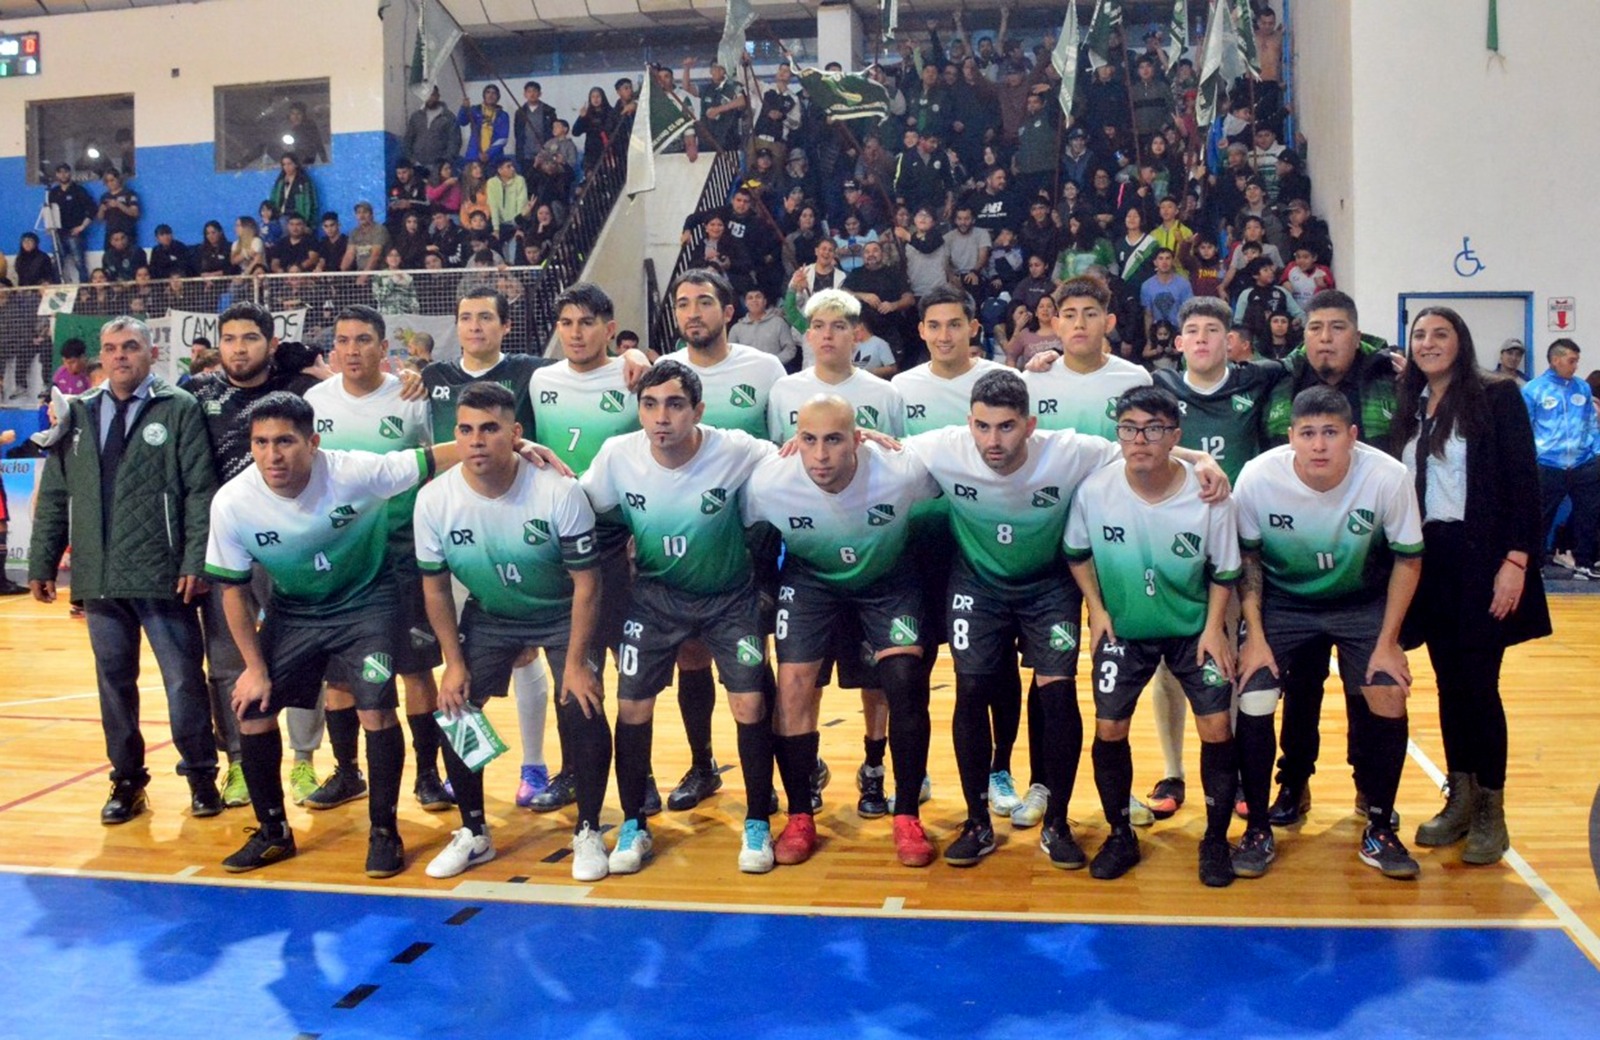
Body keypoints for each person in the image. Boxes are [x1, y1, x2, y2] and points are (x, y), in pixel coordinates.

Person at [203, 392, 463, 875]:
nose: (271, 455)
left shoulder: (357, 472)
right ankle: (273, 831)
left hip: (367, 603)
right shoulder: (233, 502)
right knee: (253, 708)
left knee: (375, 709)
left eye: (284, 441)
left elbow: (434, 456)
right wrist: (254, 670)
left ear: (314, 442)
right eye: (260, 443)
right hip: (295, 611)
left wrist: (518, 446)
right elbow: (233, 594)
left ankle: (384, 830)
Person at [578, 360, 780, 874]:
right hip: (654, 597)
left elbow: (798, 458)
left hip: (729, 597)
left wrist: (857, 437)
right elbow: (575, 501)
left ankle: (758, 820)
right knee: (632, 707)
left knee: (750, 703)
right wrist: (531, 459)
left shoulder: (736, 448)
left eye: (673, 404)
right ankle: (633, 824)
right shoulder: (616, 456)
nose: (660, 417)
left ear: (698, 411)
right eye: (649, 405)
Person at [415, 380, 612, 880]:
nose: (476, 440)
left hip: (563, 611)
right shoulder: (434, 500)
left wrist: (576, 664)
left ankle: (588, 830)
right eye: (465, 430)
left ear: (515, 433)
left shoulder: (558, 491)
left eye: (490, 429)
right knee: (456, 707)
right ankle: (475, 832)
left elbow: (588, 584)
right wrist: (452, 663)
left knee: (582, 703)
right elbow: (436, 590)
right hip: (493, 614)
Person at [28, 316, 220, 822]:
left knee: (183, 681)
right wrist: (43, 561)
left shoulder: (179, 408)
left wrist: (194, 559)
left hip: (164, 574)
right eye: (111, 348)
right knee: (114, 683)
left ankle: (201, 776)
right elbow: (54, 494)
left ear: (150, 353)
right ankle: (127, 782)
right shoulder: (79, 413)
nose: (119, 356)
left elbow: (201, 491)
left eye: (130, 347)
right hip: (98, 575)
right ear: (101, 357)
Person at [1234, 386, 1425, 880]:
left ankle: (1380, 827)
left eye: (1331, 433)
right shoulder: (1258, 477)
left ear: (1353, 437)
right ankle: (1257, 825)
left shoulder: (1387, 476)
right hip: (1284, 601)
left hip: (1361, 601)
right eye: (1308, 434)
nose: (1319, 445)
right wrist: (1253, 636)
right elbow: (1248, 561)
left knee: (1387, 693)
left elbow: (1408, 559)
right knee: (1253, 694)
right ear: (1291, 436)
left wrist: (1389, 642)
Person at [746, 393, 942, 869]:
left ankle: (907, 815)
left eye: (834, 439)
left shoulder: (902, 470)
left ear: (858, 439)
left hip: (888, 579)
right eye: (808, 440)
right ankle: (798, 816)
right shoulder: (770, 481)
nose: (820, 454)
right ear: (794, 440)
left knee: (905, 684)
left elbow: (965, 469)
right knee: (792, 685)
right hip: (811, 579)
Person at [1065, 386, 1242, 886]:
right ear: (1117, 433)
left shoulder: (1209, 495)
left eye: (1153, 429)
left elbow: (1225, 571)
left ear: (1175, 437)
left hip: (1192, 631)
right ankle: (1121, 833)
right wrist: (1096, 610)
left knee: (1216, 729)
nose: (1139, 439)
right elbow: (1077, 554)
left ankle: (1214, 839)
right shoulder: (1095, 491)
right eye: (1129, 428)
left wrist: (1214, 629)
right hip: (1126, 629)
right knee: (1109, 728)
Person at [1398, 308, 1550, 865]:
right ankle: (1459, 799)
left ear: (1461, 341)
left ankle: (1492, 811)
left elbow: (1523, 481)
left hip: (1484, 559)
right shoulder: (1410, 403)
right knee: (1448, 683)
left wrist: (1515, 560)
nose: (1429, 343)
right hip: (1430, 561)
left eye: (1440, 334)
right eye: (1419, 335)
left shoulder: (1497, 395)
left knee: (1480, 685)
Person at [301, 306, 448, 814]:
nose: (352, 349)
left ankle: (428, 775)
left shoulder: (412, 398)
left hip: (401, 554)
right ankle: (347, 773)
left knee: (415, 669)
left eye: (364, 340)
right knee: (339, 673)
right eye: (343, 340)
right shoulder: (314, 401)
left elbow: (437, 466)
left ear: (385, 349)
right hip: (339, 559)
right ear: (332, 348)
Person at [187, 302, 332, 807]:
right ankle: (241, 765)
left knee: (304, 654)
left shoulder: (299, 390)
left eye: (250, 338)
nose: (238, 348)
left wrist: (312, 362)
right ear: (217, 346)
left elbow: (343, 390)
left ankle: (305, 762)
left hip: (294, 542)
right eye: (229, 339)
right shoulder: (198, 394)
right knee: (227, 660)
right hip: (227, 544)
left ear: (270, 344)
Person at [767, 291, 906, 443]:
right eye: (818, 326)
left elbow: (896, 453)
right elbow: (778, 452)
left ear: (855, 336)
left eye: (838, 326)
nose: (827, 334)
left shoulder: (885, 393)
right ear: (809, 336)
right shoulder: (783, 390)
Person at [1523, 337, 1600, 578]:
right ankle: (1535, 565)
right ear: (1556, 360)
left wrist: (1596, 451)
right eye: (1571, 360)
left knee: (1588, 514)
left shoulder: (1582, 387)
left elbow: (1591, 422)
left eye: (1577, 361)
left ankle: (1584, 562)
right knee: (1540, 517)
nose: (1576, 366)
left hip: (1583, 464)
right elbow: (1525, 427)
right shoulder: (1533, 389)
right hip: (1548, 465)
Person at [47, 163, 95, 283]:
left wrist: (82, 227)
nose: (63, 175)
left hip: (74, 233)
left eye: (65, 171)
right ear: (57, 174)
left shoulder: (78, 190)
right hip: (58, 233)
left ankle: (84, 291)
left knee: (79, 263)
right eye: (60, 172)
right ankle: (57, 291)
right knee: (57, 264)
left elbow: (92, 209)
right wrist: (50, 228)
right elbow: (48, 212)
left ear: (70, 173)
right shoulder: (53, 193)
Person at [404, 86, 459, 170]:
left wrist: (445, 161)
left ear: (438, 96)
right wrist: (412, 160)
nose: (429, 98)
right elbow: (408, 139)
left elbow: (454, 141)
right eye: (426, 95)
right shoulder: (416, 116)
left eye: (432, 94)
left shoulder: (448, 117)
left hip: (439, 168)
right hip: (417, 166)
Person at [458, 84, 510, 166]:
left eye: (494, 93)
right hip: (474, 155)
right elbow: (462, 122)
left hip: (494, 159)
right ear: (484, 95)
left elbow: (503, 138)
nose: (490, 95)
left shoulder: (503, 115)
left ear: (498, 97)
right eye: (488, 92)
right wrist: (464, 108)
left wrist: (488, 154)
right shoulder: (475, 110)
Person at [270, 153, 318, 227]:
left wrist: (309, 224)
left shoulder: (304, 181)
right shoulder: (280, 182)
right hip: (280, 215)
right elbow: (273, 200)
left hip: (298, 217)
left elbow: (311, 203)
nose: (286, 167)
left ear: (296, 164)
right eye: (284, 164)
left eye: (289, 164)